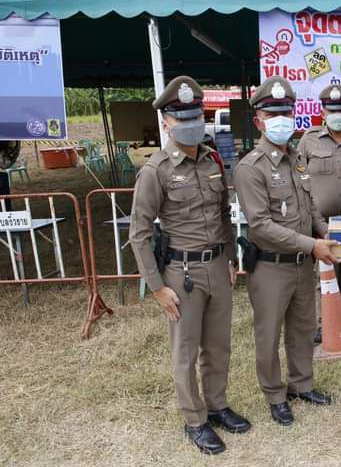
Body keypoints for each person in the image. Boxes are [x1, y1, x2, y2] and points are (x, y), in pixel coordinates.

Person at [129, 76, 248, 455]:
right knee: (186, 350)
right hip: (181, 274)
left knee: (218, 345)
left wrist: (229, 258)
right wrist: (157, 287)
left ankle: (217, 405)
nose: (191, 124)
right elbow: (139, 234)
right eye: (182, 118)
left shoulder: (213, 160)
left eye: (196, 116)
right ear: (167, 122)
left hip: (216, 266)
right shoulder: (156, 170)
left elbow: (223, 215)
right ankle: (194, 420)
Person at [234, 75, 338, 426]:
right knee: (269, 334)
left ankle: (301, 384)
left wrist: (325, 231)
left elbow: (310, 208)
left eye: (286, 112)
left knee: (303, 328)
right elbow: (261, 224)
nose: (281, 120)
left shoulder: (296, 158)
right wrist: (313, 245)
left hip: (302, 264)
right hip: (270, 267)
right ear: (258, 121)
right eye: (272, 114)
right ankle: (275, 395)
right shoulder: (250, 167)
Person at [298, 84, 341, 343]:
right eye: (331, 110)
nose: (337, 114)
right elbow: (299, 179)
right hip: (321, 224)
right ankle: (323, 324)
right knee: (324, 276)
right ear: (323, 111)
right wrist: (315, 222)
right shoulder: (309, 139)